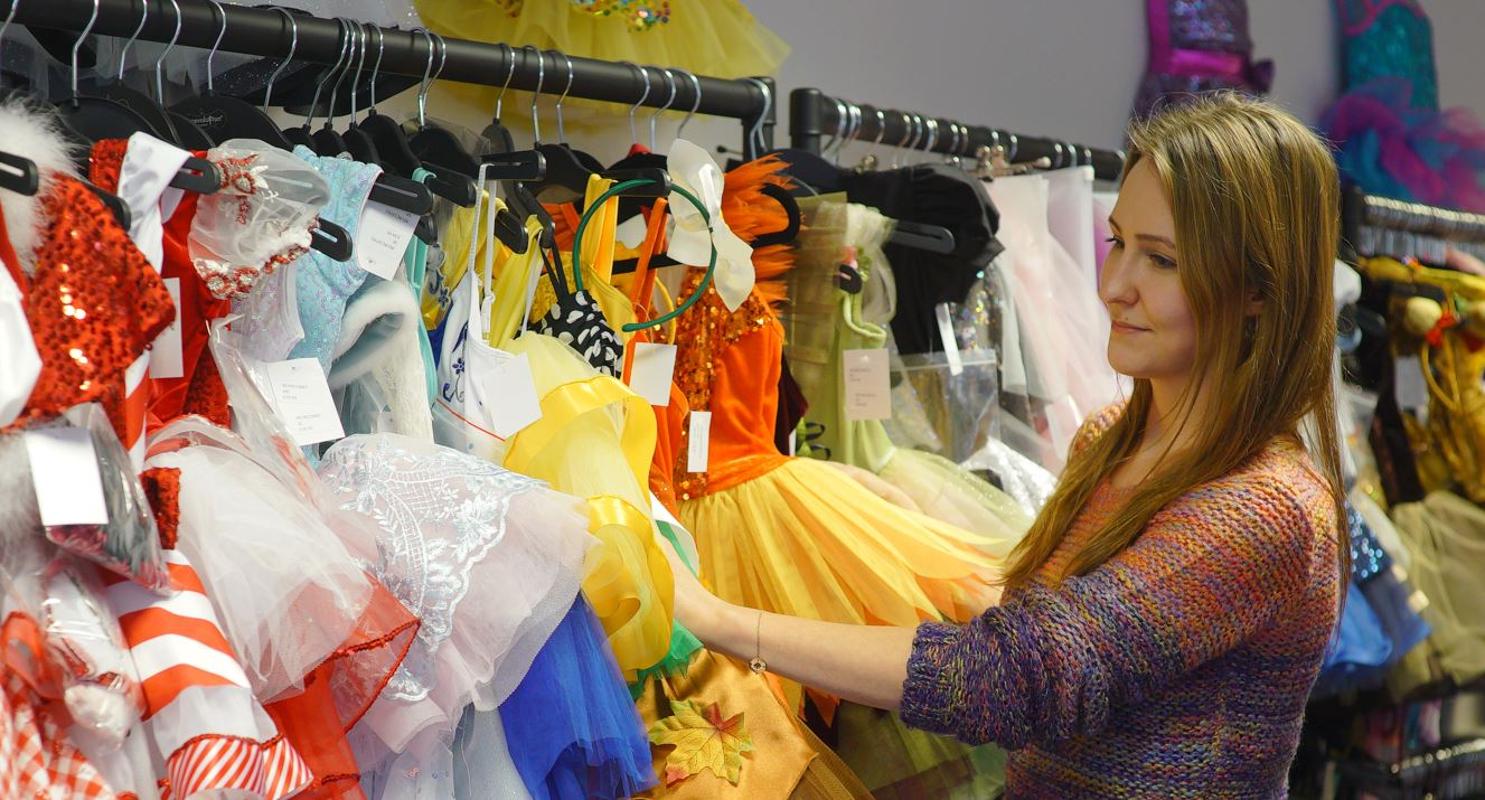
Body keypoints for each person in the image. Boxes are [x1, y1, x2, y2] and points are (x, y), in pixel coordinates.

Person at [663, 92, 1351, 799]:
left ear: (1259, 290)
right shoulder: (1110, 439)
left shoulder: (1263, 510)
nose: (1114, 287)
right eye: (1118, 243)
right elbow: (1058, 626)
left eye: (1163, 261)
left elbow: (1023, 675)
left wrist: (719, 620)